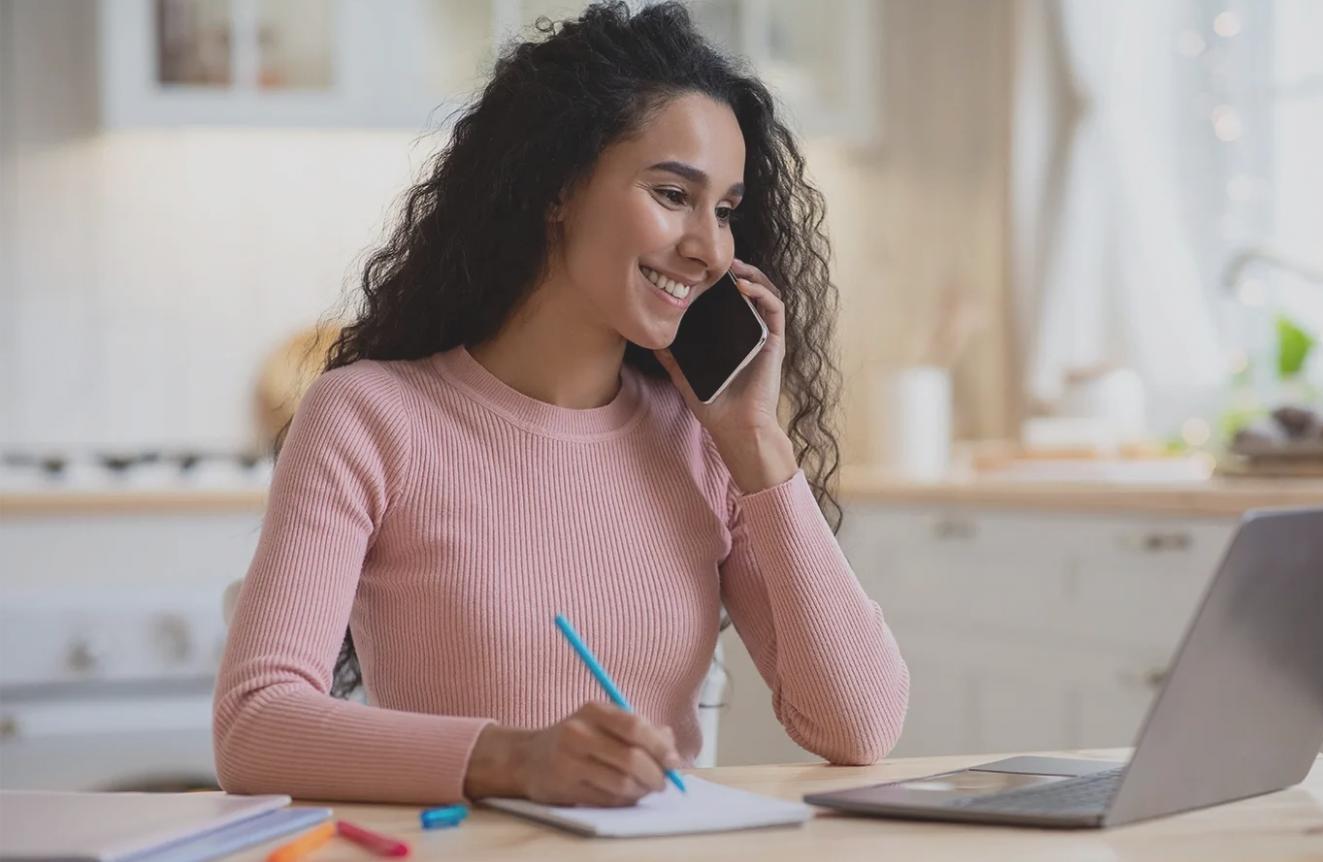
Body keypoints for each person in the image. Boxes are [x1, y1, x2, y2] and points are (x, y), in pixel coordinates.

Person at [214, 0, 908, 807]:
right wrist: (516, 761)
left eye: (724, 211)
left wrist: (756, 443)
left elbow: (859, 727)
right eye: (671, 194)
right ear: (557, 189)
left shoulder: (703, 442)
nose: (710, 249)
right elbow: (254, 726)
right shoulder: (370, 418)